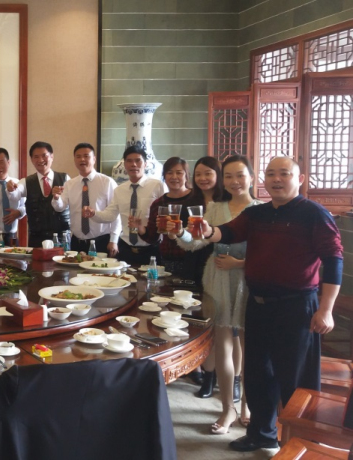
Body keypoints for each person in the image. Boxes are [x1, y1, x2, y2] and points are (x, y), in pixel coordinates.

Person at [196, 157, 342, 452]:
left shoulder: (314, 213)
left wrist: (326, 309)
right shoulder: (257, 213)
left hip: (297, 307)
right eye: (271, 174)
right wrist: (207, 231)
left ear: (300, 179)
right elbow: (229, 232)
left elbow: (334, 259)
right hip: (259, 304)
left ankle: (301, 444)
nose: (276, 179)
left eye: (284, 174)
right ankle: (261, 434)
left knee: (296, 379)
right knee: (258, 372)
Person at [175, 155, 261, 434]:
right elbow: (194, 244)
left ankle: (247, 405)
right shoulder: (215, 207)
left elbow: (268, 254)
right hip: (217, 278)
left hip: (248, 280)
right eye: (229, 176)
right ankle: (227, 409)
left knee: (249, 349)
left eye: (240, 175)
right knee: (222, 344)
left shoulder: (261, 209)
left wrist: (240, 263)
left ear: (251, 177)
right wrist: (180, 232)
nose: (235, 182)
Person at [90, 146, 167, 265]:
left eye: (138, 160)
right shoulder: (119, 190)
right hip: (126, 249)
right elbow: (110, 215)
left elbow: (166, 213)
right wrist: (93, 213)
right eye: (129, 161)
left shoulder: (157, 186)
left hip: (151, 249)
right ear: (125, 165)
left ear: (145, 164)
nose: (133, 164)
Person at [131, 157, 195, 278]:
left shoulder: (195, 199)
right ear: (164, 176)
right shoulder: (158, 203)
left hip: (193, 259)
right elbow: (152, 238)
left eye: (179, 173)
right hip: (166, 260)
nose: (174, 177)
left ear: (187, 176)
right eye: (169, 173)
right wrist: (139, 227)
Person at [52, 143, 119, 254]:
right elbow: (59, 207)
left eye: (86, 156)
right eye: (78, 156)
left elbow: (116, 213)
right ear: (74, 160)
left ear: (94, 159)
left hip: (101, 241)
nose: (82, 159)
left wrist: (114, 240)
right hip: (77, 242)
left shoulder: (107, 182)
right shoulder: (70, 184)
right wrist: (56, 198)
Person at [12, 141, 69, 248]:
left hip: (62, 238)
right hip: (36, 239)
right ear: (31, 160)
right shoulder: (25, 182)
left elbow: (71, 205)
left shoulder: (65, 179)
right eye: (36, 157)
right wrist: (11, 189)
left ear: (52, 156)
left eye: (44, 156)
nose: (40, 160)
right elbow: (15, 195)